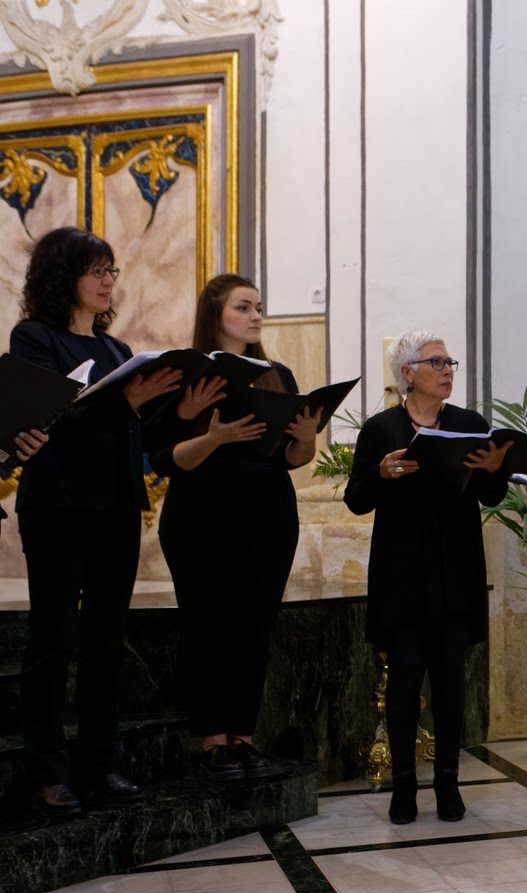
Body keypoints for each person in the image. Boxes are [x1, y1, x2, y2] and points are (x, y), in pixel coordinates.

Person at [9, 226, 183, 816]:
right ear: (65, 277)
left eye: (112, 271)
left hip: (114, 505)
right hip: (58, 503)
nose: (109, 281)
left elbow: (129, 429)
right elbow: (49, 420)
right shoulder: (34, 338)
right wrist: (126, 404)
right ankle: (47, 770)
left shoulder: (114, 352)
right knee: (54, 638)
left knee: (106, 639)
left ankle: (100, 763)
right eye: (98, 271)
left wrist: (174, 409)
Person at [149, 274, 320, 780]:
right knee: (209, 626)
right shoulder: (184, 375)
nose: (255, 316)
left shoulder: (278, 374)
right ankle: (213, 742)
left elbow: (294, 457)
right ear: (216, 315)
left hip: (268, 510)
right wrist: (215, 436)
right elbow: (165, 459)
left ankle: (243, 737)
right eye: (243, 307)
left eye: (258, 307)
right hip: (202, 511)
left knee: (255, 627)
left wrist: (308, 436)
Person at [345, 330, 511, 824]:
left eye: (449, 362)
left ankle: (447, 785)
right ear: (407, 373)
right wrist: (382, 472)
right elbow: (357, 499)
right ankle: (403, 786)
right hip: (402, 569)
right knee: (404, 679)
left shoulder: (469, 423)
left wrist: (495, 469)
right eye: (436, 362)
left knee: (450, 679)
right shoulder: (381, 429)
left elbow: (493, 497)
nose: (447, 370)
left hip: (455, 565)